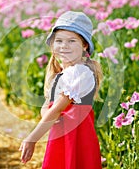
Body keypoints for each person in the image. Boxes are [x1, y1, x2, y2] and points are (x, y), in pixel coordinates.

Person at [19, 11, 103, 169]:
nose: (64, 46)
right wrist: (49, 118)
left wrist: (32, 138)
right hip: (61, 133)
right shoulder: (61, 74)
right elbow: (48, 106)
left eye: (72, 41)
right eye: (59, 41)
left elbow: (57, 108)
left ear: (84, 45)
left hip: (76, 136)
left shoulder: (80, 72)